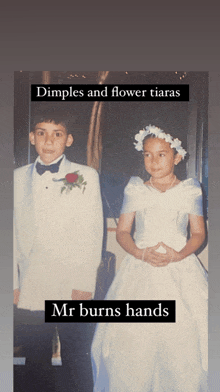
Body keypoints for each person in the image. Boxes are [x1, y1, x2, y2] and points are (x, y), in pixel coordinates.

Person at [91, 125, 208, 392]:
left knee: (183, 339)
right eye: (147, 155)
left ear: (177, 157)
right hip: (140, 267)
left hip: (179, 268)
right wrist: (139, 252)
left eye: (161, 154)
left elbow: (198, 234)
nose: (153, 161)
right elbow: (122, 231)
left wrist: (181, 254)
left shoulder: (190, 189)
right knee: (133, 341)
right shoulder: (136, 188)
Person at [14, 113, 103, 391]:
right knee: (34, 357)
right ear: (32, 138)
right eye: (41, 133)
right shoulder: (15, 178)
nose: (48, 141)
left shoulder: (85, 176)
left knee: (75, 355)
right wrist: (12, 283)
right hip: (30, 283)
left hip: (71, 283)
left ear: (69, 140)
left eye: (57, 134)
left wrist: (84, 284)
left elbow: (92, 234)